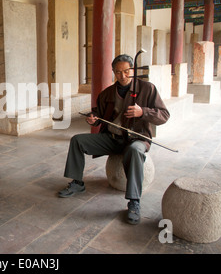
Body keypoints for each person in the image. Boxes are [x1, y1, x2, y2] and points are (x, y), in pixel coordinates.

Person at [58, 54, 170, 225]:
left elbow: (164, 115)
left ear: (132, 70)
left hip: (136, 139)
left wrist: (143, 112)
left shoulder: (147, 89)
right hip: (111, 138)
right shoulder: (107, 93)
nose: (123, 76)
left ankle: (134, 202)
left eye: (126, 71)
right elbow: (97, 113)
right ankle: (77, 182)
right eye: (118, 72)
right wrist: (92, 118)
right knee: (77, 140)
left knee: (134, 150)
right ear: (113, 72)